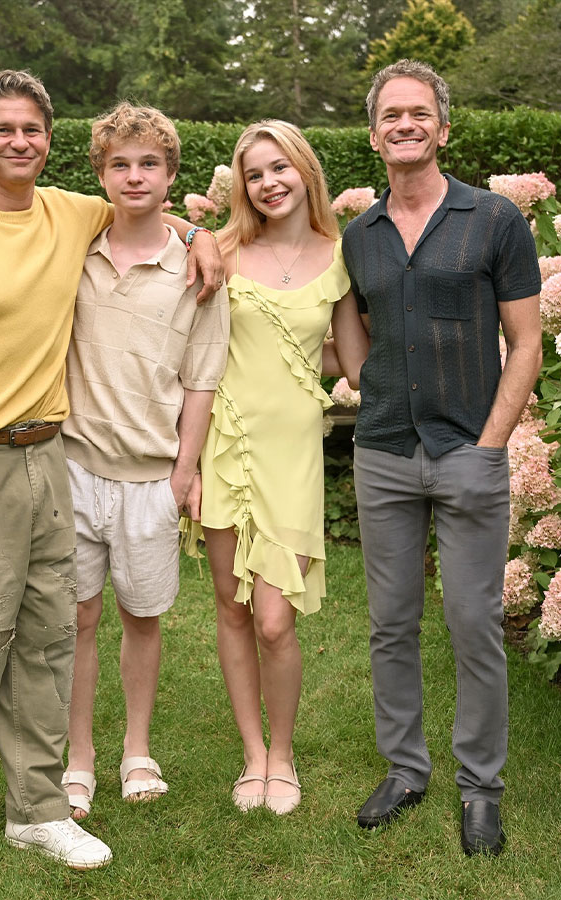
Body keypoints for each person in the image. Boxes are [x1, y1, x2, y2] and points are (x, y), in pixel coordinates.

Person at [0, 70, 221, 871]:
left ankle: (36, 808)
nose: (20, 141)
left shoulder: (73, 212)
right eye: (2, 129)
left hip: (51, 463)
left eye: (32, 128)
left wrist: (203, 235)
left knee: (46, 642)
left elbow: (148, 209)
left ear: (49, 140)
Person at [342, 59, 542, 855]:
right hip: (384, 451)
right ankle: (404, 770)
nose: (405, 124)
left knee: (473, 623)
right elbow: (346, 319)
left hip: (468, 451)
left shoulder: (494, 220)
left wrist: (491, 444)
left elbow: (526, 343)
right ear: (374, 133)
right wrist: (370, 384)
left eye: (419, 113)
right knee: (390, 626)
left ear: (443, 128)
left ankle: (481, 789)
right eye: (391, 115)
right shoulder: (360, 234)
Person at [187, 119, 368, 815]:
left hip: (293, 453)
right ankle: (252, 757)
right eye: (254, 173)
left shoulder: (340, 255)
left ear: (305, 171)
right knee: (232, 609)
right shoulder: (220, 249)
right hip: (224, 446)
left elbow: (352, 364)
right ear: (243, 185)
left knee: (273, 620)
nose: (268, 183)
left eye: (279, 168)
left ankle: (284, 754)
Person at [60, 102, 228, 819]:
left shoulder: (195, 266)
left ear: (171, 175)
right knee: (77, 618)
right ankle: (78, 757)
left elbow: (201, 378)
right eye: (120, 164)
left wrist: (183, 474)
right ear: (99, 173)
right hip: (70, 463)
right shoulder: (73, 247)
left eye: (149, 164)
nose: (134, 176)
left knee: (141, 616)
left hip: (151, 476)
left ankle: (136, 747)